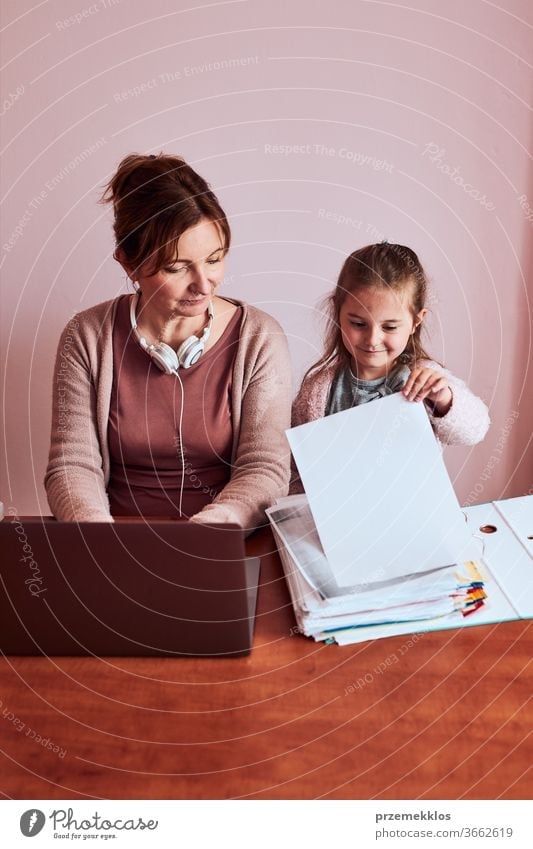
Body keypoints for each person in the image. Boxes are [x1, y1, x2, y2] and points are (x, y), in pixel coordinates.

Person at [45, 153, 291, 530]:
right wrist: (102, 544)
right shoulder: (86, 337)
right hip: (113, 547)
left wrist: (202, 539)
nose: (204, 283)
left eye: (214, 259)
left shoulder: (260, 338)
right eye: (177, 268)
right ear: (129, 263)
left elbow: (266, 468)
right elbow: (71, 465)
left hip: (223, 546)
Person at [291, 242, 490, 490]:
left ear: (416, 321)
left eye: (390, 327)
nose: (373, 340)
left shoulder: (424, 379)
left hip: (411, 518)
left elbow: (475, 430)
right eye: (358, 324)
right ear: (338, 312)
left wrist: (444, 399)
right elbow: (298, 467)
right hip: (343, 519)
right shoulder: (318, 389)